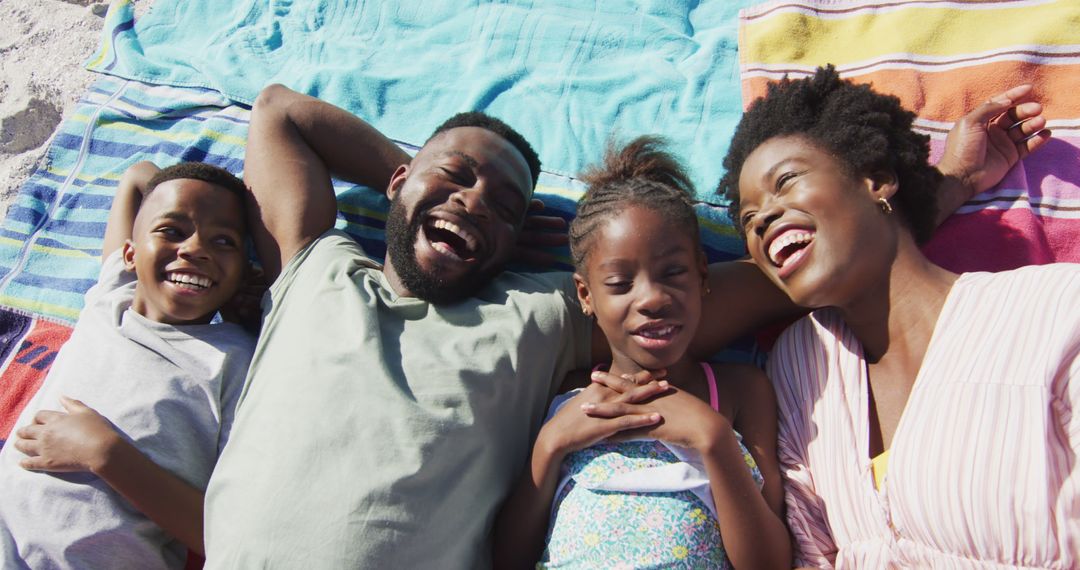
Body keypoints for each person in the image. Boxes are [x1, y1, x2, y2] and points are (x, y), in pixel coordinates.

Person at [203, 81, 1036, 568]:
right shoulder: (312, 260)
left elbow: (801, 268)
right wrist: (420, 170)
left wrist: (948, 183)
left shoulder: (543, 315)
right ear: (396, 180)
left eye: (505, 205)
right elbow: (279, 112)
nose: (472, 202)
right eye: (452, 179)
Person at [717, 65, 1077, 567]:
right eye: (748, 220)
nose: (763, 220)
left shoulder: (1056, 313)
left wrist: (948, 183)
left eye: (787, 181)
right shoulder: (800, 366)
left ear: (878, 179)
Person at [493, 137, 789, 568]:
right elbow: (505, 560)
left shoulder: (740, 391)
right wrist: (550, 445)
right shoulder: (570, 393)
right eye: (619, 284)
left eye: (673, 273)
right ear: (585, 295)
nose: (652, 298)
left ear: (702, 274)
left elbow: (771, 564)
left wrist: (714, 439)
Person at [0, 161, 257, 568]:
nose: (196, 249)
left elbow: (226, 534)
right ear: (130, 255)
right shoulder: (109, 299)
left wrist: (105, 453)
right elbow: (137, 175)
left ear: (245, 273)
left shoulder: (236, 360)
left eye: (224, 241)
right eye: (172, 231)